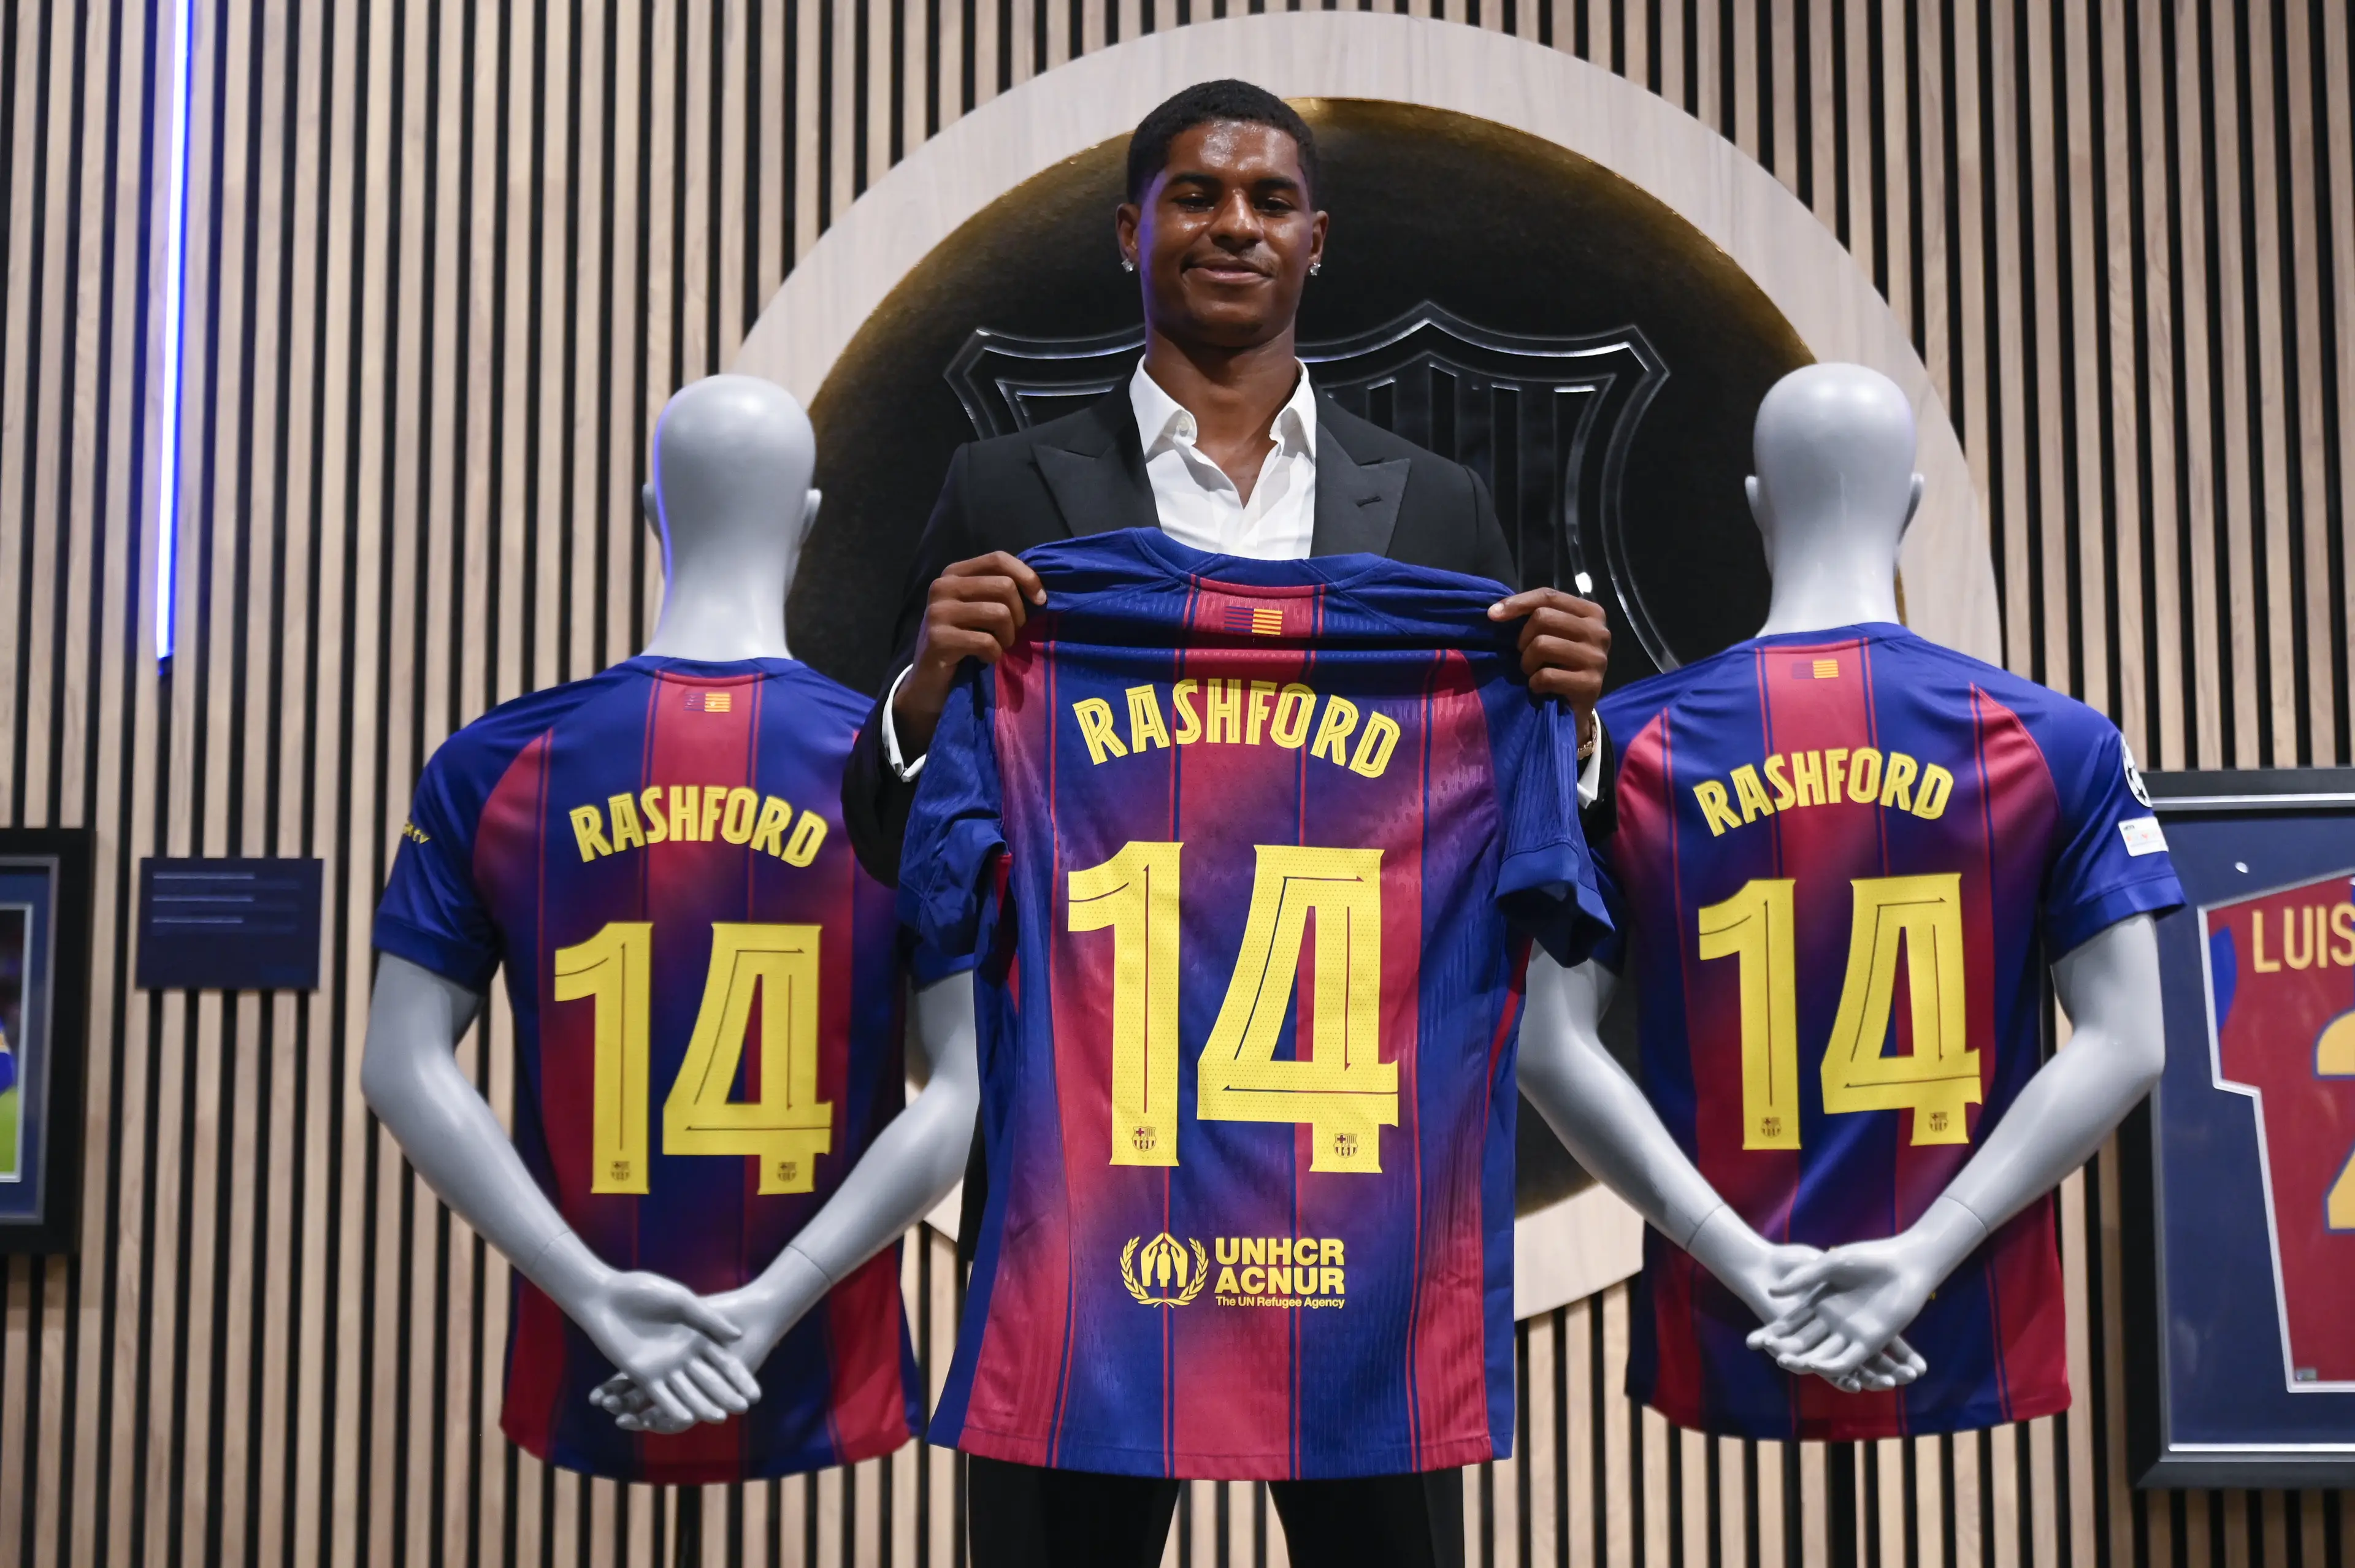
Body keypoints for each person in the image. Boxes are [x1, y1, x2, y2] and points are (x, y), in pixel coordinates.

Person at [839, 80, 1617, 1568]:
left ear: (1317, 242)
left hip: (1359, 1205)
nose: (1233, 225)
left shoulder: (1439, 506)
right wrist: (929, 686)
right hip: (1087, 1184)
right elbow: (893, 833)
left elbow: (1535, 832)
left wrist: (1570, 720)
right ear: (1131, 229)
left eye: (1268, 201)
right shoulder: (1006, 488)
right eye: (1196, 195)